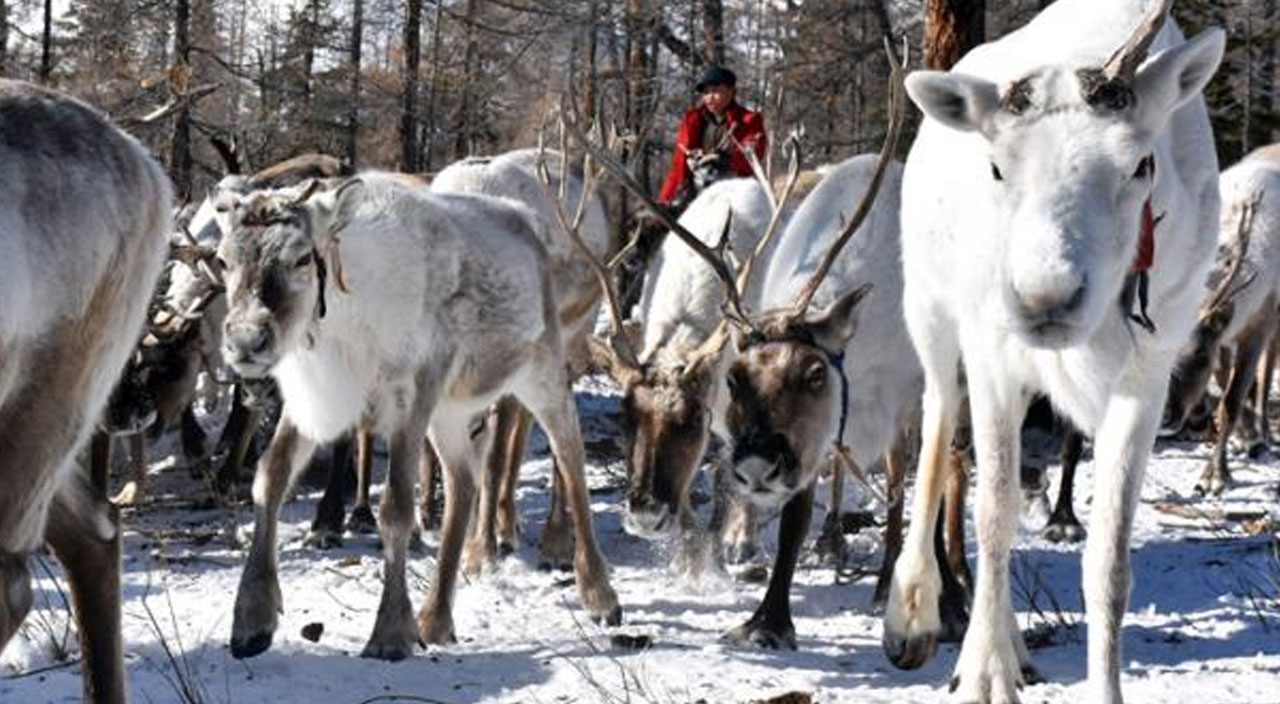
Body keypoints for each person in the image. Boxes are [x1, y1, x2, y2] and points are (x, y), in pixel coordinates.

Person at [657, 65, 768, 209]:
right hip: (694, 193)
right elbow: (678, 166)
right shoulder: (692, 120)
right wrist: (665, 200)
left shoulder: (748, 120)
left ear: (731, 91)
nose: (710, 97)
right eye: (706, 92)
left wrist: (728, 160)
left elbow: (754, 153)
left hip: (731, 194)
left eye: (716, 91)